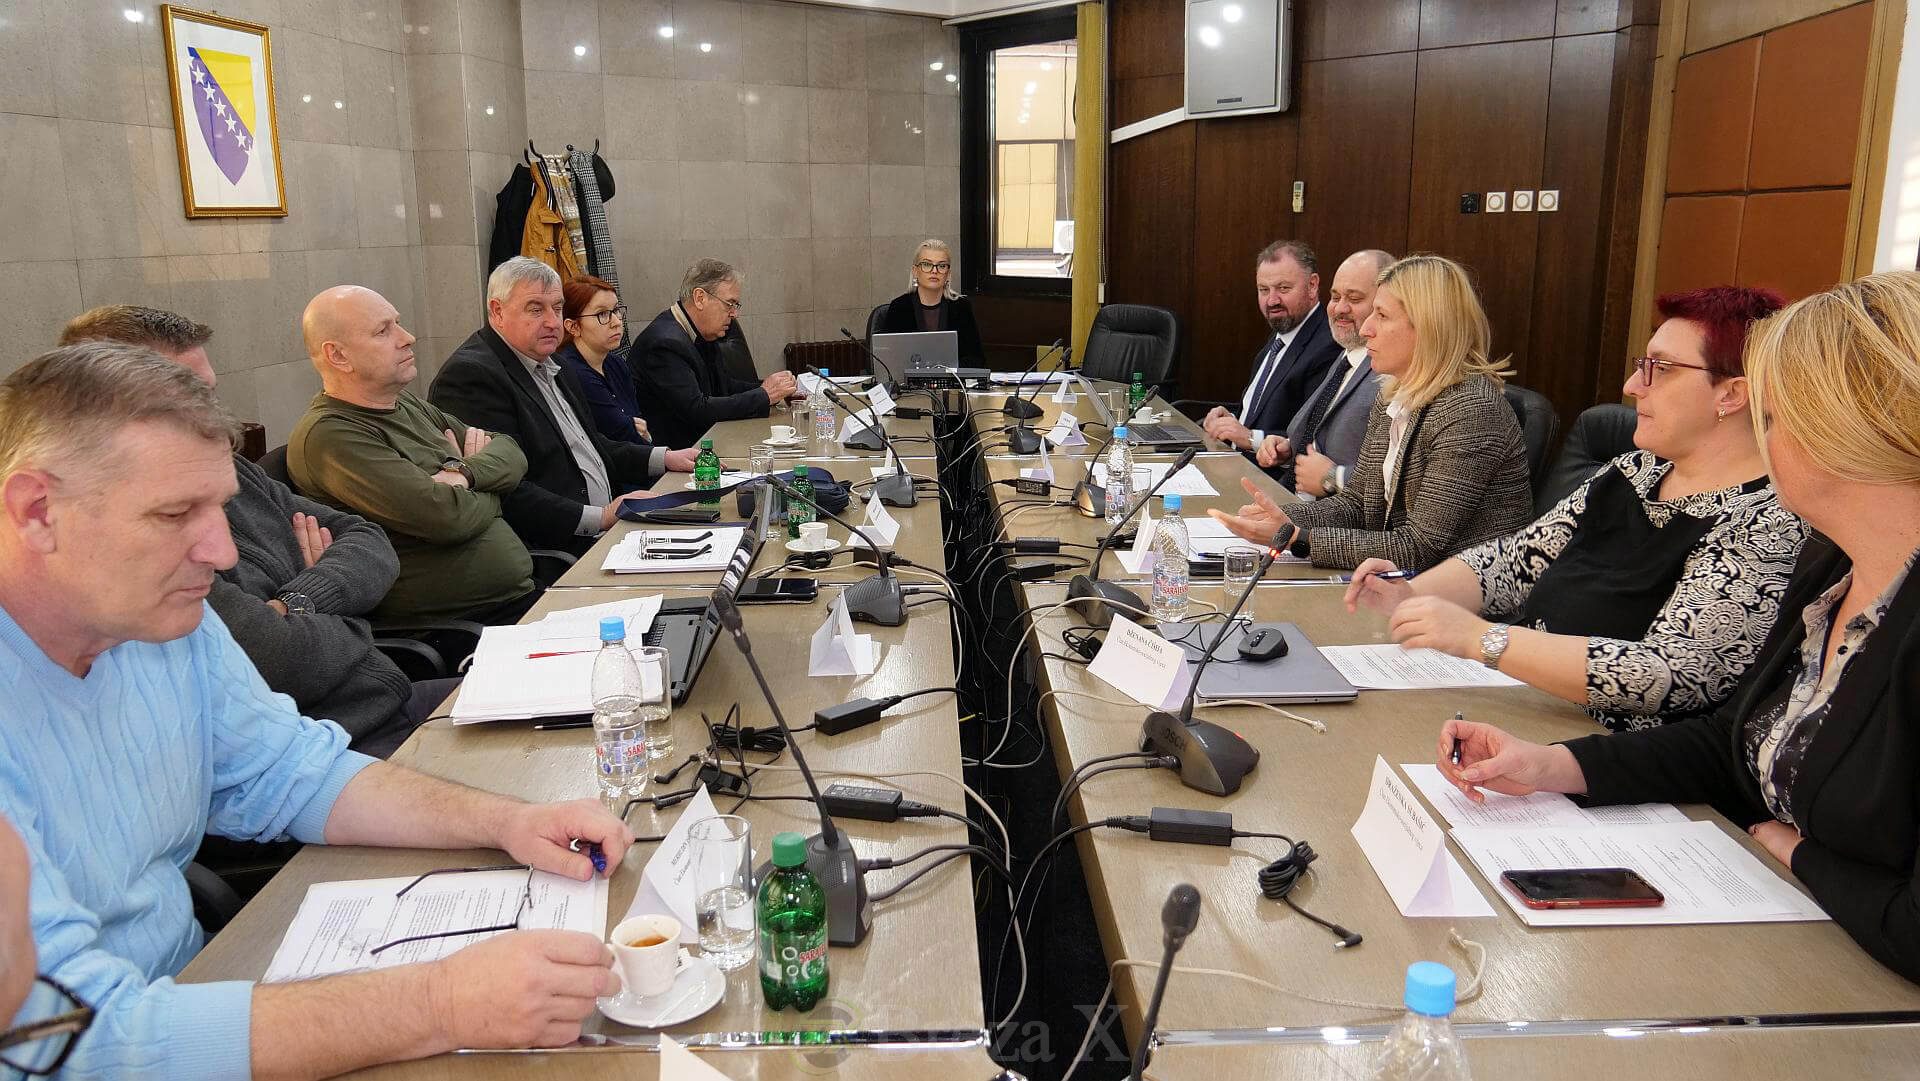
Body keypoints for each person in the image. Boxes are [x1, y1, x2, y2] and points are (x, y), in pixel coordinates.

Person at [0, 344, 633, 1078]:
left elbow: (290, 770)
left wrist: (508, 822)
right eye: (174, 514)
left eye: (218, 507)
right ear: (37, 511)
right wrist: (440, 1002)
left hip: (201, 992)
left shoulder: (159, 621)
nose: (222, 552)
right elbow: (62, 1041)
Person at [1436, 271, 1920, 984]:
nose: (1765, 439)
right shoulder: (1832, 568)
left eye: (1776, 417)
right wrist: (1551, 765)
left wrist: (1798, 853)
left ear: (1847, 436)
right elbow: (1729, 742)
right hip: (1777, 923)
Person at [1344, 287, 1806, 731]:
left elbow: (1669, 672)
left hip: (1613, 752)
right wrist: (1413, 597)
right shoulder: (1634, 471)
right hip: (1530, 708)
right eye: (1641, 366)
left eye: (1660, 369)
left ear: (1731, 394)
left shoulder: (1767, 521)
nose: (1633, 385)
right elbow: (1514, 562)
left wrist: (1481, 639)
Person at [59, 305, 453, 758]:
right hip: (326, 743)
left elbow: (369, 541)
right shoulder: (123, 543)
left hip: (386, 699)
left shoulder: (236, 472)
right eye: (181, 403)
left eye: (209, 395)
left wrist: (296, 601)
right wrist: (343, 614)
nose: (213, 422)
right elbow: (274, 658)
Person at [1209, 254, 1533, 571]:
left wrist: (1299, 539)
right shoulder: (1393, 394)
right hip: (1398, 582)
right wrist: (1276, 516)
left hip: (1457, 596)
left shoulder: (1469, 410)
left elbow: (1418, 548)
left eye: (1382, 315)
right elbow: (1357, 503)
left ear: (1428, 326)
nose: (1365, 329)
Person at [290, 286, 539, 625]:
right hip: (454, 627)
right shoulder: (330, 435)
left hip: (517, 601)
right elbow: (446, 517)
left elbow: (511, 451)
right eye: (383, 330)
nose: (408, 338)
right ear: (338, 356)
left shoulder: (404, 402)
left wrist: (463, 474)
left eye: (398, 323)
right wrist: (494, 486)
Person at [432, 257, 696, 556]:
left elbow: (589, 445)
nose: (552, 322)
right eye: (535, 309)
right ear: (497, 311)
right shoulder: (472, 376)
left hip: (606, 530)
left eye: (557, 308)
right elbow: (505, 488)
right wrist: (600, 517)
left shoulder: (555, 363)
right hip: (556, 551)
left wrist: (666, 457)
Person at [1252, 248, 1393, 495]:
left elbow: (1392, 476)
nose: (1339, 309)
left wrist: (1333, 477)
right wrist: (1288, 450)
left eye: (1354, 299)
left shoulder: (1389, 370)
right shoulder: (1346, 356)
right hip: (1289, 497)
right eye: (1335, 297)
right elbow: (1320, 434)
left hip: (1333, 514)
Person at [630, 259, 800, 450]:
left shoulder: (700, 332)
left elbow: (723, 386)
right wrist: (764, 395)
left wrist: (771, 389)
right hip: (678, 455)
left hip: (708, 442)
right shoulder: (663, 343)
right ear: (700, 298)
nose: (734, 314)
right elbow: (696, 410)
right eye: (729, 304)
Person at [1203, 240, 1343, 454]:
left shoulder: (1328, 346)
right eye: (1263, 290)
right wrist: (1230, 420)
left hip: (1266, 471)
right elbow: (1263, 413)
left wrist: (1250, 438)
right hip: (1232, 457)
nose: (1272, 301)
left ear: (1312, 285)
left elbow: (1311, 437)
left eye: (1283, 288)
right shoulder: (1282, 332)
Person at [555, 274, 650, 445]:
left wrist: (635, 429)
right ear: (573, 326)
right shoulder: (571, 371)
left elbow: (639, 425)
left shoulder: (616, 363)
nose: (616, 322)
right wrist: (632, 427)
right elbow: (622, 433)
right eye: (602, 314)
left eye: (616, 310)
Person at [875, 238, 986, 366]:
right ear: (915, 271)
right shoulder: (899, 307)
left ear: (948, 274)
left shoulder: (961, 307)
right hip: (908, 378)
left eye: (941, 266)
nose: (934, 271)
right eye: (927, 264)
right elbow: (889, 361)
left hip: (952, 378)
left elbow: (976, 359)